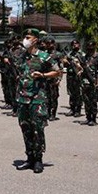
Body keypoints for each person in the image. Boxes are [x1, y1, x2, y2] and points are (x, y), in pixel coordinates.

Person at [14, 29, 61, 173]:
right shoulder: (21, 56)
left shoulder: (44, 56)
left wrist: (43, 75)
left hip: (37, 99)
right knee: (25, 128)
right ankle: (29, 158)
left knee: (37, 129)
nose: (25, 40)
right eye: (25, 37)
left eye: (28, 37)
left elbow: (57, 71)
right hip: (22, 98)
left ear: (35, 40)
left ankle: (38, 159)